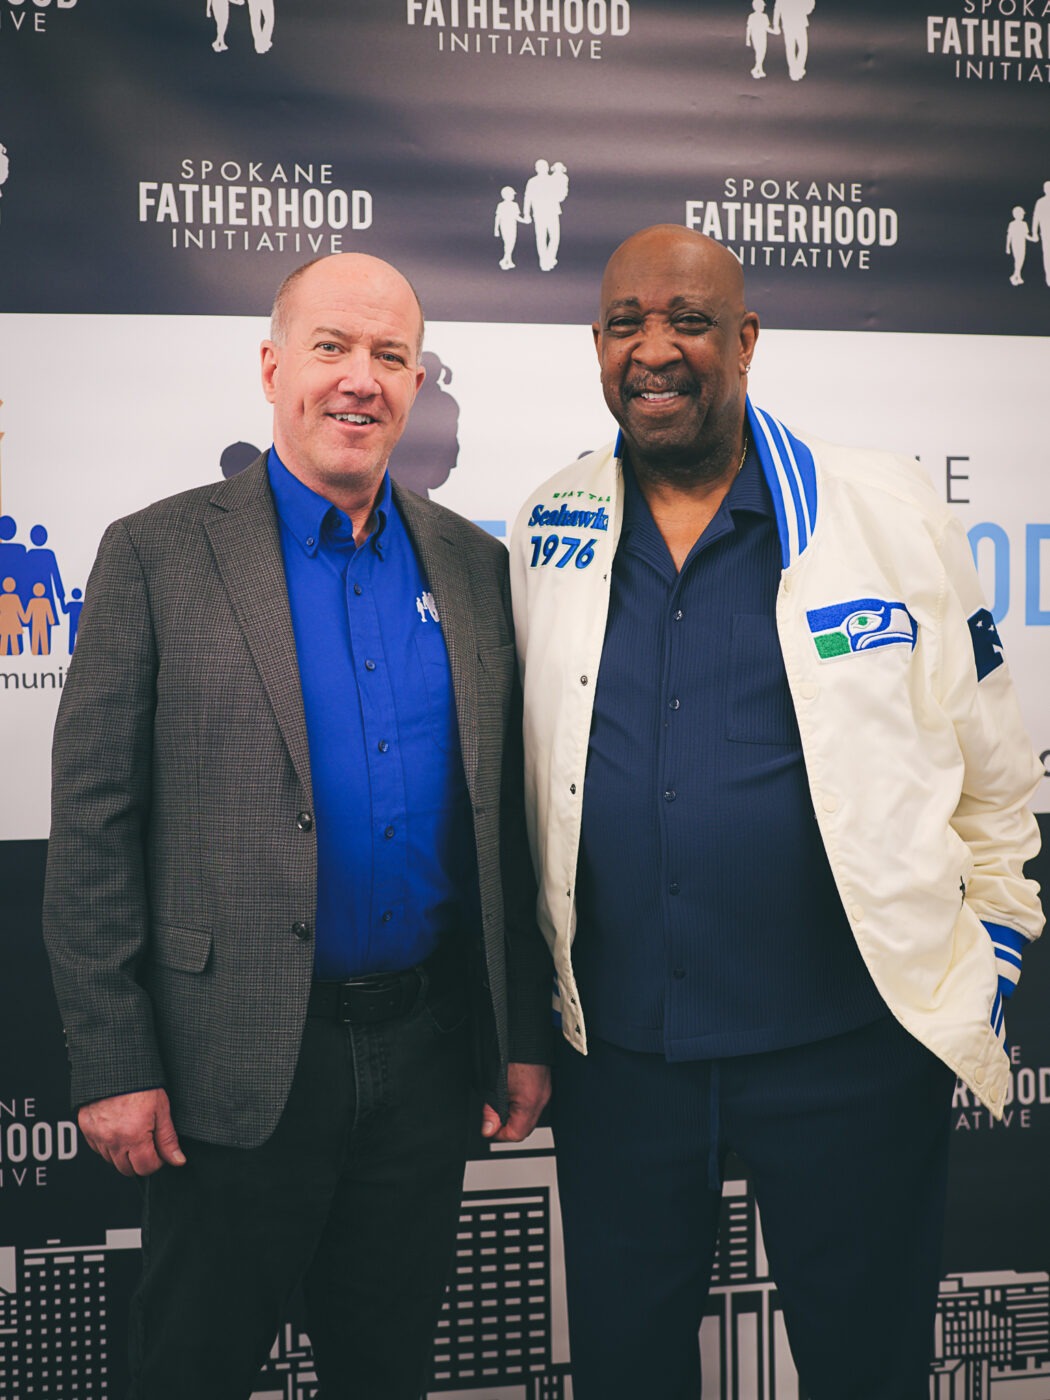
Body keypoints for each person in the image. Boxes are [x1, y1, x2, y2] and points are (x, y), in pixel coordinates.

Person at [509, 225, 1043, 1399]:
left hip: (850, 1054)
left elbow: (999, 782)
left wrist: (988, 961)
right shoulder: (547, 526)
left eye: (690, 321)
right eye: (626, 323)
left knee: (867, 1368)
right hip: (624, 1063)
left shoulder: (886, 512)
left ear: (746, 339)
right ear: (596, 344)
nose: (655, 349)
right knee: (628, 1372)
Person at [43, 252, 552, 1400]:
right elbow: (93, 824)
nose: (360, 378)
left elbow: (506, 829)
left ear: (415, 383)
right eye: (332, 347)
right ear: (273, 368)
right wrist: (113, 1058)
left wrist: (516, 1030)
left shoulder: (476, 568)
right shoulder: (157, 553)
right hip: (226, 1063)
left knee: (386, 1372)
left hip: (425, 1061)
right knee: (191, 1370)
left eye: (390, 355)